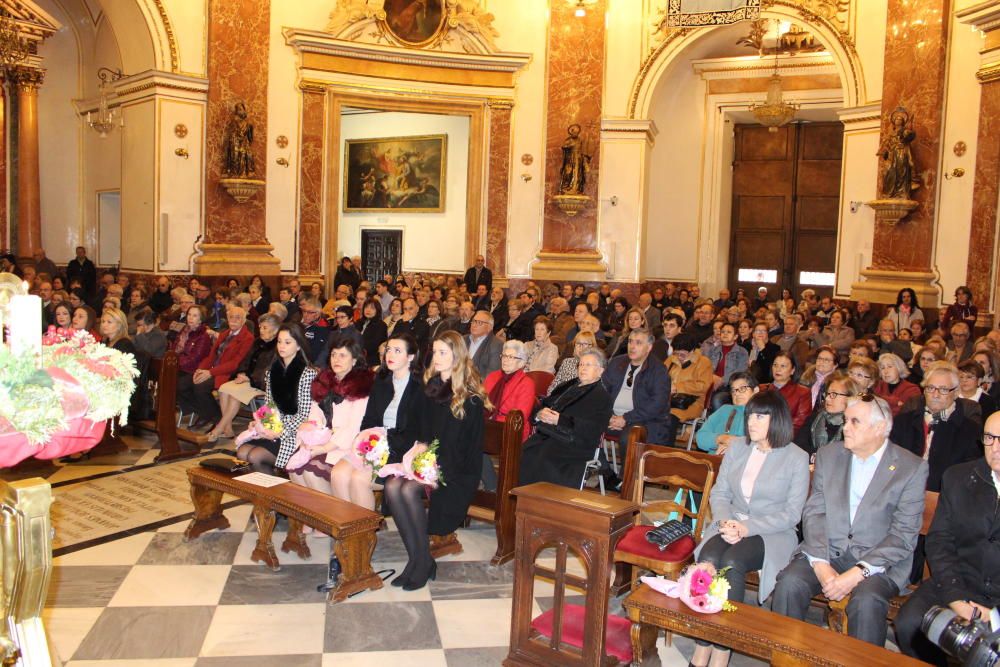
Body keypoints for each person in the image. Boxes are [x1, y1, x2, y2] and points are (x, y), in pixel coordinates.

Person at [772, 395, 928, 647]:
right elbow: (815, 512)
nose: (845, 427)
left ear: (880, 427)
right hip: (827, 551)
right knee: (790, 583)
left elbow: (903, 534)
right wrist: (821, 564)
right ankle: (785, 657)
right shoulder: (829, 455)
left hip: (879, 562)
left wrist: (856, 574)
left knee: (867, 601)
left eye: (855, 422)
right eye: (846, 420)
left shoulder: (910, 468)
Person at [690, 391, 809, 667]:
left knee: (731, 562)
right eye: (749, 416)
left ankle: (722, 650)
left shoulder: (796, 458)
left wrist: (746, 527)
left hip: (771, 532)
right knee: (708, 560)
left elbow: (791, 514)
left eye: (759, 416)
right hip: (729, 522)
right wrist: (726, 522)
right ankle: (702, 646)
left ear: (776, 419)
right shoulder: (738, 447)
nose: (751, 422)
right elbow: (720, 495)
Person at [895, 410, 1000, 665]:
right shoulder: (959, 477)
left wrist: (995, 616)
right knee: (909, 624)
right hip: (958, 580)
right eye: (990, 438)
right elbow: (940, 540)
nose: (995, 447)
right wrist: (956, 597)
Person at [385, 331, 487, 591]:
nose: (437, 357)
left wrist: (431, 461)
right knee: (392, 486)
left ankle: (420, 563)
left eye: (444, 352)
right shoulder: (430, 388)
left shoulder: (469, 396)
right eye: (436, 351)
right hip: (430, 460)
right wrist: (419, 446)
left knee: (407, 490)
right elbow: (421, 429)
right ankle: (419, 560)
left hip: (456, 469)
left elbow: (461, 447)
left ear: (458, 356)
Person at [295, 338, 374, 506]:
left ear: (354, 360)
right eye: (333, 355)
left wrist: (324, 448)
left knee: (310, 471)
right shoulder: (324, 380)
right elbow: (315, 415)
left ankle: (334, 517)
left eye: (342, 356)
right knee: (296, 469)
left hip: (347, 445)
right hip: (326, 439)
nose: (336, 359)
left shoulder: (361, 386)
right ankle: (314, 516)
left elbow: (353, 427)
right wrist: (310, 437)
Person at [519, 348, 613, 488]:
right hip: (548, 435)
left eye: (588, 365)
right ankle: (522, 499)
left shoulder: (602, 397)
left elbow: (593, 429)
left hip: (574, 443)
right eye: (581, 364)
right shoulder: (567, 386)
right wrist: (539, 414)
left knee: (542, 457)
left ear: (600, 371)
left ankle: (541, 503)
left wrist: (560, 420)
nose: (583, 368)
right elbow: (544, 403)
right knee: (523, 452)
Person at [236, 323, 318, 474]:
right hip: (274, 428)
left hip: (293, 433)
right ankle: (260, 494)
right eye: (279, 341)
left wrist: (280, 432)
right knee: (242, 452)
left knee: (255, 456)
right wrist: (264, 425)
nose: (282, 346)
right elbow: (268, 406)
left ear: (299, 346)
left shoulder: (307, 374)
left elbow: (304, 415)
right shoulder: (272, 371)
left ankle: (270, 495)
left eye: (288, 342)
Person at [890, 361, 983, 492]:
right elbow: (891, 463)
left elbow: (969, 476)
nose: (935, 394)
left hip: (945, 498)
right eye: (930, 388)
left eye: (944, 390)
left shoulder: (970, 430)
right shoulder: (902, 422)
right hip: (902, 493)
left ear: (956, 393)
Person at [177, 306, 254, 430]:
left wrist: (210, 372)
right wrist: (200, 370)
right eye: (231, 317)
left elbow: (235, 363)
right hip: (213, 370)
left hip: (228, 373)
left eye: (237, 318)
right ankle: (207, 413)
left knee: (200, 387)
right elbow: (211, 356)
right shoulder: (224, 334)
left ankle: (213, 417)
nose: (233, 320)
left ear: (244, 320)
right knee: (181, 385)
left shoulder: (247, 337)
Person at [208, 313, 280, 441]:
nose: (261, 330)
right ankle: (228, 428)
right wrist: (242, 373)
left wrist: (249, 378)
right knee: (224, 388)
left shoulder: (278, 345)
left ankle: (218, 429)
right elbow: (245, 361)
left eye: (265, 328)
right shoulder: (258, 342)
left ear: (275, 330)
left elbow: (270, 369)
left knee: (235, 393)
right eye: (260, 327)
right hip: (249, 379)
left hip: (262, 383)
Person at [602, 328, 673, 445]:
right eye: (630, 341)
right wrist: (609, 416)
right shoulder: (616, 362)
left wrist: (626, 419)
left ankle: (628, 464)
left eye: (638, 343)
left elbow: (657, 403)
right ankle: (599, 461)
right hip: (612, 417)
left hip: (644, 421)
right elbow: (602, 391)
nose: (632, 346)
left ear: (649, 347)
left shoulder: (658, 370)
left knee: (630, 438)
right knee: (581, 424)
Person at [793, 374, 858, 457]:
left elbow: (847, 454)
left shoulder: (854, 425)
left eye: (833, 394)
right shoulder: (814, 418)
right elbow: (798, 446)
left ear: (850, 397)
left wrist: (817, 456)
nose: (827, 398)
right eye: (827, 393)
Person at [483, 340, 536, 442]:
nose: (505, 360)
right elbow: (480, 402)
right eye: (504, 356)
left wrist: (491, 424)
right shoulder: (492, 376)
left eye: (511, 357)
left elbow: (518, 419)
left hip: (510, 430)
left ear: (521, 362)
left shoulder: (526, 383)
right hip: (487, 423)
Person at [664, 333, 713, 430]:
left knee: (669, 417)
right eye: (676, 353)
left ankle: (663, 444)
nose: (678, 357)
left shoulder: (703, 362)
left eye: (682, 354)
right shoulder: (670, 360)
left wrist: (677, 387)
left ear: (692, 350)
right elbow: (659, 377)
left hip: (690, 403)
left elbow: (703, 386)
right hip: (667, 399)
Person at [761, 353, 811, 432]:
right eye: (775, 365)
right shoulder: (761, 389)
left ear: (792, 370)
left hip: (786, 437)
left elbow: (800, 422)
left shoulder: (802, 392)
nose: (778, 369)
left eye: (783, 366)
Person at [873, 352, 921, 417]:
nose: (886, 371)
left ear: (899, 368)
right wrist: (896, 402)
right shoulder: (877, 386)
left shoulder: (912, 389)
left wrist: (882, 400)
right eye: (882, 368)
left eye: (890, 367)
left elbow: (905, 413)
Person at [464, 310, 503, 381]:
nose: (474, 325)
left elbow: (492, 376)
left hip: (478, 388)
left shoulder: (496, 345)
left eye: (479, 322)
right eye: (474, 321)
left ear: (489, 327)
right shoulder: (462, 339)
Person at [356, 297, 388, 365]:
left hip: (371, 359)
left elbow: (374, 345)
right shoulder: (359, 322)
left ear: (377, 310)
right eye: (366, 307)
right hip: (355, 356)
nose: (368, 310)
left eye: (372, 308)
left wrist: (357, 348)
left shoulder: (381, 325)